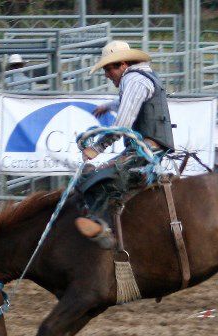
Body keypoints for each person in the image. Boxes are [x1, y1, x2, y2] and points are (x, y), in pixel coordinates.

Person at [74, 40, 175, 248]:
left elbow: (123, 124)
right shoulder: (143, 78)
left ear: (121, 64)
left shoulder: (134, 80)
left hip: (145, 151)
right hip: (149, 147)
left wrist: (97, 148)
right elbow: (127, 103)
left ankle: (103, 229)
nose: (106, 75)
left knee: (98, 179)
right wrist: (108, 105)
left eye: (108, 69)